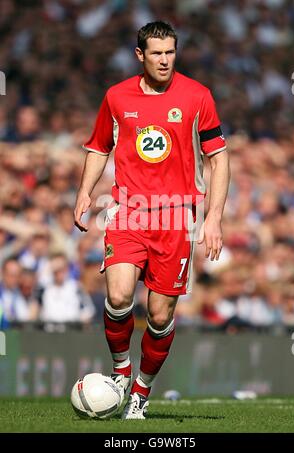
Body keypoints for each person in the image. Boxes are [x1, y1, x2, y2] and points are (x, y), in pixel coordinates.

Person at [74, 21, 230, 419]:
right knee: (119, 296)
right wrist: (84, 192)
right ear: (140, 55)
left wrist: (213, 217)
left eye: (170, 52)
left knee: (160, 316)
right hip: (128, 210)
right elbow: (98, 148)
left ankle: (141, 392)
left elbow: (219, 158)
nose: (165, 60)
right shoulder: (115, 96)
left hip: (177, 217)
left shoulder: (197, 96)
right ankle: (122, 369)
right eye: (157, 53)